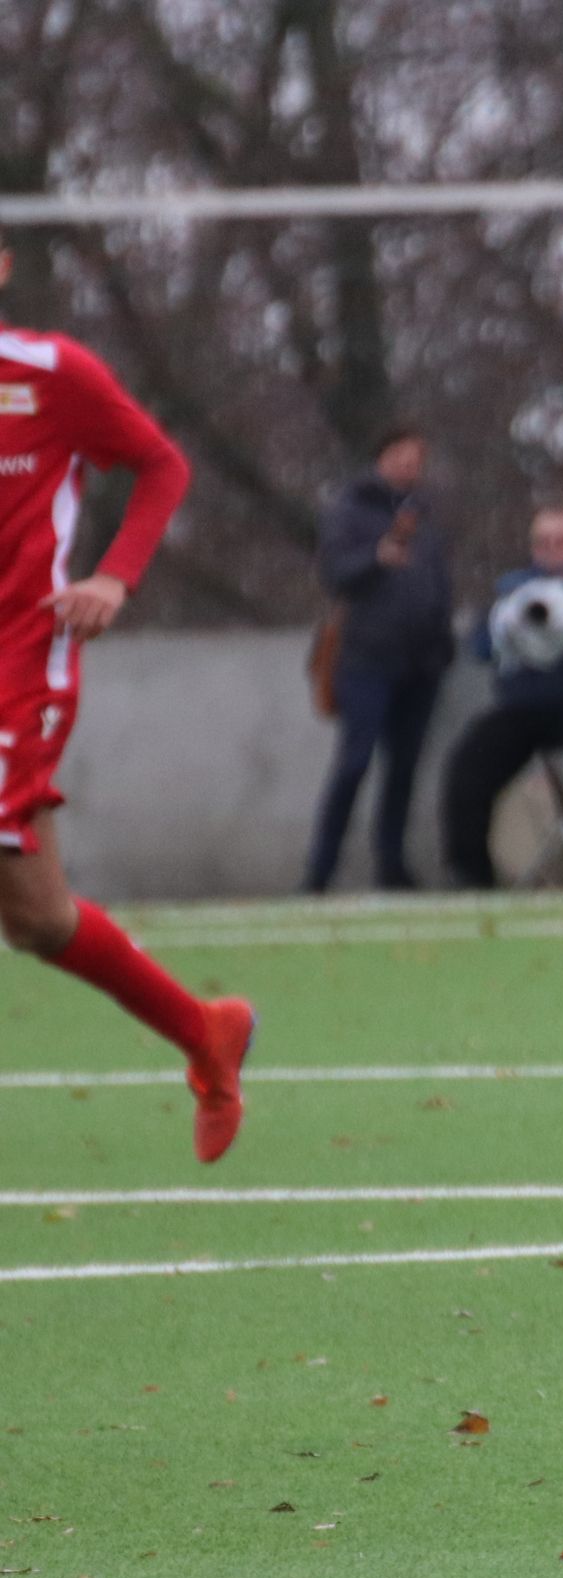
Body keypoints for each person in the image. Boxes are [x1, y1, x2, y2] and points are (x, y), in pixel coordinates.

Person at [0, 226, 256, 1161]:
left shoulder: (48, 374)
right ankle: (205, 1030)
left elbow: (162, 465)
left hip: (17, 664)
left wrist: (115, 577)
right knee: (36, 919)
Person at [442, 504, 563, 889]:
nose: (552, 551)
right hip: (525, 705)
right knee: (469, 764)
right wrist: (507, 629)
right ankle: (470, 875)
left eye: (562, 541)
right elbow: (481, 648)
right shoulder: (514, 588)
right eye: (543, 543)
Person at [304, 423, 455, 892]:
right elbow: (334, 574)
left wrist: (442, 638)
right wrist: (377, 557)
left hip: (421, 662)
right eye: (401, 457)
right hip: (366, 658)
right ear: (381, 457)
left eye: (416, 460)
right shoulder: (349, 510)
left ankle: (392, 868)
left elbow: (438, 578)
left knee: (404, 768)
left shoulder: (426, 515)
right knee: (355, 762)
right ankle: (319, 873)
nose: (409, 467)